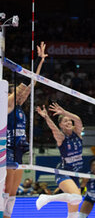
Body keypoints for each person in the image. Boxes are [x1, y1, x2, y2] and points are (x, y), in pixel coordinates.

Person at [3, 42, 47, 218]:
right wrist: (19, 86)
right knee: (6, 188)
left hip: (19, 149)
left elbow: (32, 83)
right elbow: (23, 86)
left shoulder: (20, 105)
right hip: (7, 150)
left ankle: (7, 216)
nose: (23, 95)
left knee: (13, 191)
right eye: (18, 93)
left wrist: (40, 61)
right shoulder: (6, 104)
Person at [35, 102, 83, 218]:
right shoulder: (61, 137)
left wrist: (64, 112)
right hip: (63, 172)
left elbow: (77, 119)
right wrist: (46, 117)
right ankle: (47, 198)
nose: (68, 122)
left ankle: (48, 198)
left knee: (73, 212)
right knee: (77, 198)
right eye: (65, 121)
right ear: (61, 125)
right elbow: (53, 128)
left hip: (75, 174)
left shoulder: (77, 133)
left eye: (69, 121)